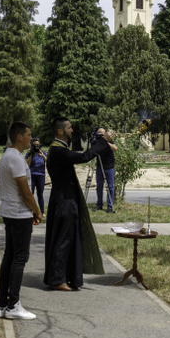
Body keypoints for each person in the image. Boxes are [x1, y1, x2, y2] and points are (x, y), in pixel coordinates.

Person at [44, 116, 111, 291]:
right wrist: (103, 141)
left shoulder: (58, 149)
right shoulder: (58, 151)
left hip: (65, 200)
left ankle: (65, 277)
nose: (72, 130)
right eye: (69, 128)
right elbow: (84, 157)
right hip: (64, 202)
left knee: (68, 238)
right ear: (60, 131)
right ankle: (57, 279)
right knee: (63, 239)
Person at [0, 121, 43, 321]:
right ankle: (13, 305)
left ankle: (2, 304)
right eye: (29, 135)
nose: (32, 139)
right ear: (19, 137)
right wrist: (37, 211)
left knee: (10, 256)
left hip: (11, 212)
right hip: (18, 213)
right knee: (19, 258)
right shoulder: (15, 157)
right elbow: (26, 192)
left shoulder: (9, 155)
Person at [92, 128, 118, 213]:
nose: (102, 136)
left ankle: (110, 207)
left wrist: (106, 142)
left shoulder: (109, 140)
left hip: (109, 166)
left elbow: (115, 148)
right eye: (100, 134)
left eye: (103, 134)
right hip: (100, 166)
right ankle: (99, 205)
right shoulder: (97, 142)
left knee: (110, 187)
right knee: (99, 186)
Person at [25, 137, 47, 213]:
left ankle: (42, 212)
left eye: (38, 145)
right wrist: (31, 155)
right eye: (35, 145)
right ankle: (31, 211)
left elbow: (48, 162)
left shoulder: (43, 153)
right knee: (31, 194)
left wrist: (43, 156)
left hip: (41, 175)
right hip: (32, 175)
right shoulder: (29, 153)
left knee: (40, 194)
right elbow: (27, 165)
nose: (37, 147)